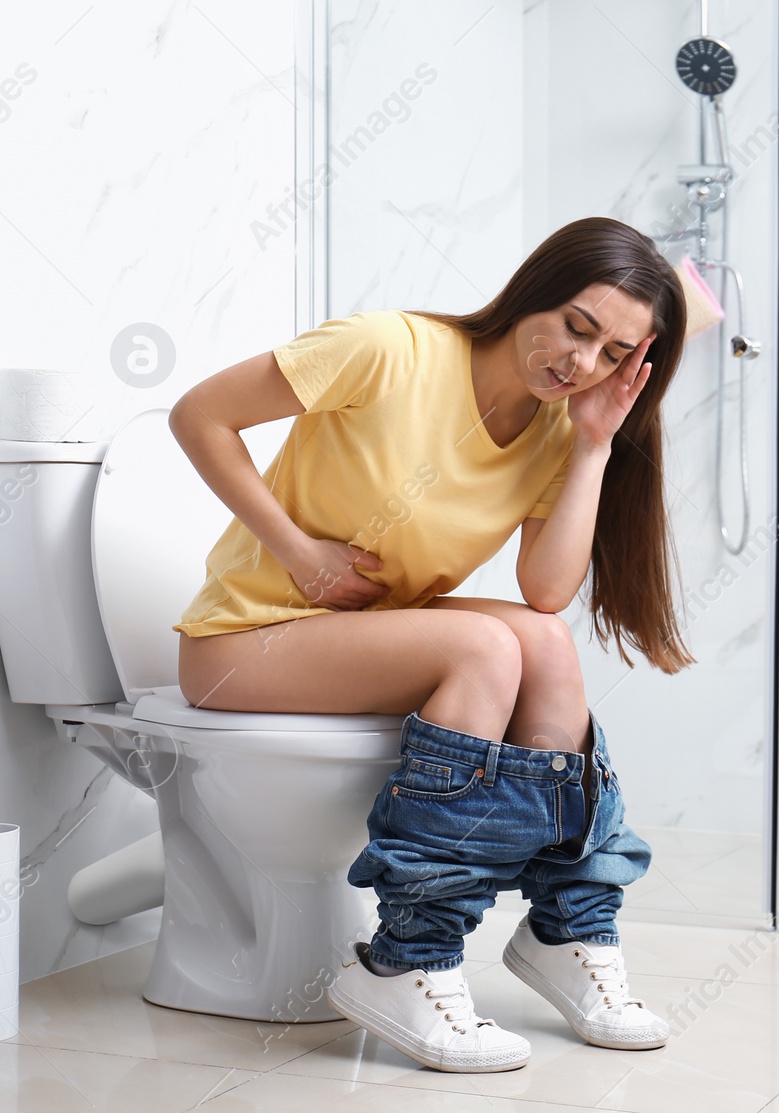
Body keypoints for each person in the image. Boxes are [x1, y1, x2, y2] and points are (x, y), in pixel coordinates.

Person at [169, 216, 693, 1073]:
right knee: (484, 651)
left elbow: (547, 590)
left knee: (546, 644)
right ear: (535, 290)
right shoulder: (389, 350)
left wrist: (595, 443)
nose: (580, 363)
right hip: (244, 637)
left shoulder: (561, 426)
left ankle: (569, 925)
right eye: (576, 325)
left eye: (611, 353)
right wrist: (300, 554)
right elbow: (200, 416)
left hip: (356, 638)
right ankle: (407, 958)